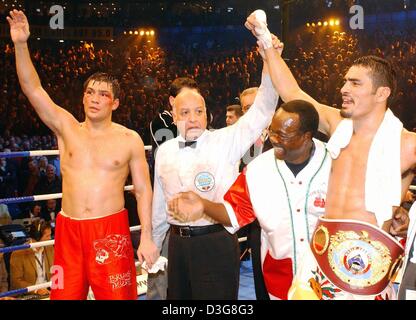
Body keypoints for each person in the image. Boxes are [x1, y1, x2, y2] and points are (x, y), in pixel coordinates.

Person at [245, 12, 414, 299]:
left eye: (355, 83)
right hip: (320, 258)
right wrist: (265, 41)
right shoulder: (338, 125)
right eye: (346, 81)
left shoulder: (407, 144)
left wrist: (409, 217)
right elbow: (292, 92)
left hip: (368, 268)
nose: (343, 89)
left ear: (381, 93)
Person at [7, 10, 158, 300]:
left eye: (102, 94)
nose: (94, 98)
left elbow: (142, 190)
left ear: (115, 102)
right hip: (68, 231)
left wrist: (147, 237)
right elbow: (32, 88)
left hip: (110, 230)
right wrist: (21, 44)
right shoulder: (66, 128)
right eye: (90, 92)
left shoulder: (130, 139)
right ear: (83, 97)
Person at [152, 34, 280, 298]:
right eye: (185, 113)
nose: (193, 118)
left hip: (216, 241)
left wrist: (269, 60)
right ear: (173, 116)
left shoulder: (226, 140)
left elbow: (263, 108)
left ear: (207, 113)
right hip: (176, 245)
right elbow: (158, 206)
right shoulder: (164, 151)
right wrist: (153, 245)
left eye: (198, 111)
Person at [168, 100, 331, 300]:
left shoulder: (337, 163)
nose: (274, 139)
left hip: (332, 279)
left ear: (306, 136)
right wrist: (204, 205)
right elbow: (233, 212)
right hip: (281, 280)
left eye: (283, 135)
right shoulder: (258, 169)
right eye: (272, 131)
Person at [147, 77, 199, 300]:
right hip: (169, 209)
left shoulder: (200, 121)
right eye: (184, 107)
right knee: (160, 271)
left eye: (196, 108)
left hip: (198, 211)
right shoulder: (160, 123)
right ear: (172, 101)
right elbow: (177, 160)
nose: (192, 117)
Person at [9, 220, 54, 297]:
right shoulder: (18, 253)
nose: (50, 238)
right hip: (29, 294)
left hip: (49, 291)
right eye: (47, 236)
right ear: (37, 236)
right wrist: (36, 289)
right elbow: (16, 281)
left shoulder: (49, 247)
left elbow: (56, 269)